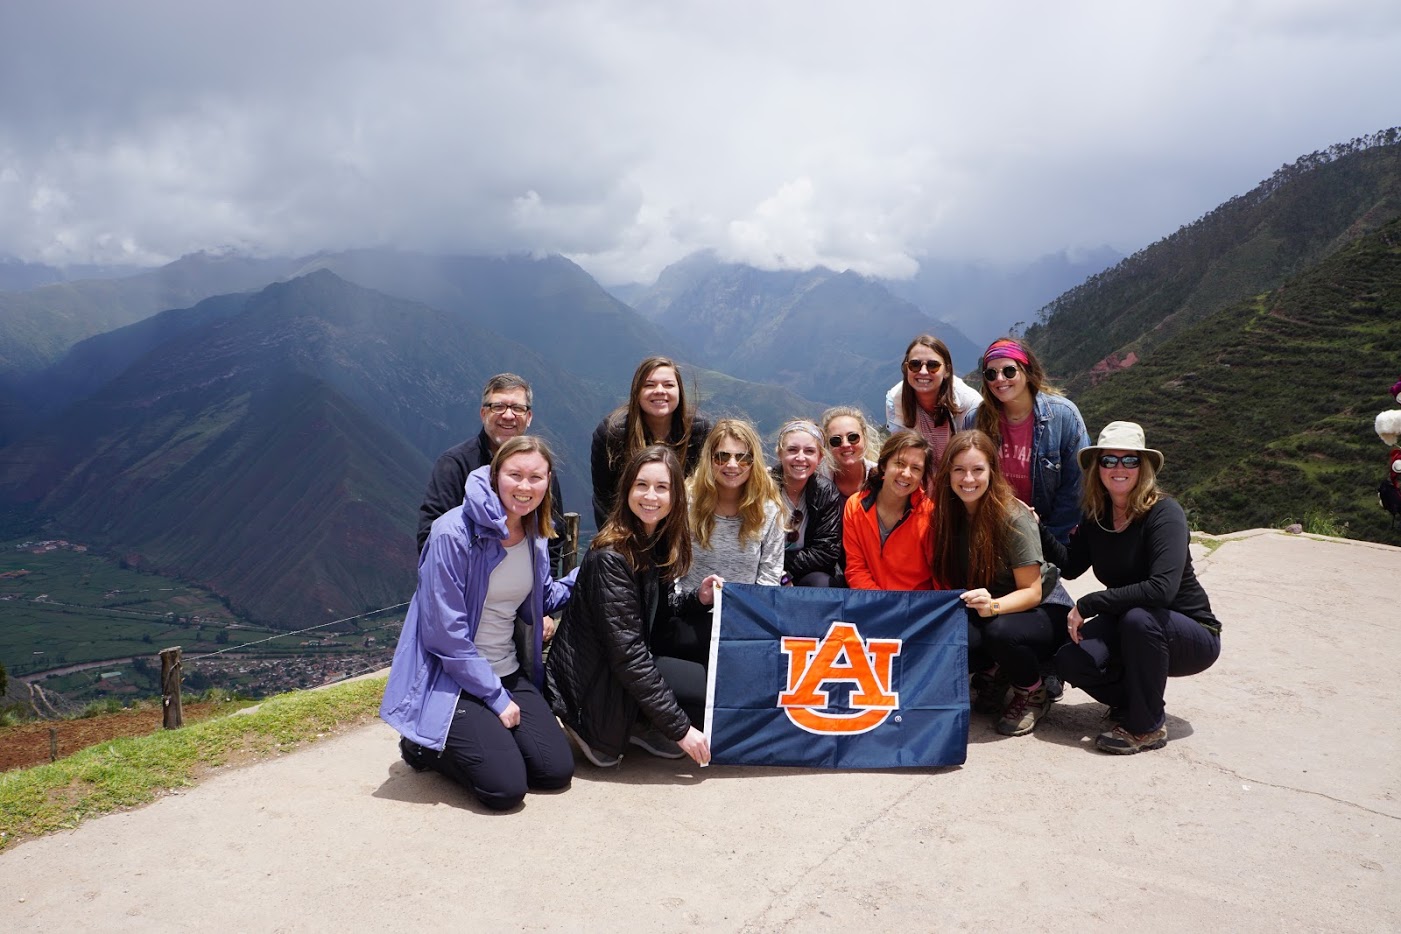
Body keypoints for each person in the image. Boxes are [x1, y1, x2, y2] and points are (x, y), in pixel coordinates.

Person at [382, 436, 577, 811]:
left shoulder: (535, 532)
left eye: (535, 477)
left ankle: (479, 738)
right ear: (494, 476)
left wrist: (599, 566)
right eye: (514, 475)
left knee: (554, 771)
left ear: (548, 480)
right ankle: (422, 745)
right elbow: (446, 636)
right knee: (505, 790)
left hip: (505, 668)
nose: (525, 487)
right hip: (451, 679)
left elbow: (542, 598)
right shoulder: (452, 533)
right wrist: (494, 697)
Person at [1042, 421, 1222, 755]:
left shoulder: (1164, 513)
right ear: (1098, 468)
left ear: (1144, 467)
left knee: (1139, 619)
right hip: (1130, 623)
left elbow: (1161, 590)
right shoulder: (1097, 515)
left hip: (1187, 632)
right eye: (1109, 460)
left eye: (1130, 460)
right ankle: (1137, 702)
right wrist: (1037, 527)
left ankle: (1147, 727)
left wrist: (1090, 602)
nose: (1119, 468)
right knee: (1071, 658)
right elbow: (1070, 565)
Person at [547, 446, 719, 768]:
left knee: (710, 674)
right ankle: (603, 724)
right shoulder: (610, 558)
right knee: (703, 695)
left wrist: (700, 599)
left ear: (676, 497)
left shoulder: (655, 541)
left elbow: (662, 612)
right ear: (627, 489)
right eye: (641, 485)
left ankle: (640, 720)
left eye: (662, 487)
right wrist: (683, 730)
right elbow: (628, 656)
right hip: (594, 688)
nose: (650, 496)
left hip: (627, 662)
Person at [930, 431, 1074, 736]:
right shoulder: (948, 514)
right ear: (948, 474)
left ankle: (1032, 692)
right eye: (959, 470)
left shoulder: (1013, 516)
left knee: (1000, 632)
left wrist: (993, 606)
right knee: (959, 641)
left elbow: (1032, 591)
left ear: (992, 472)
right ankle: (998, 671)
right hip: (992, 606)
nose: (968, 479)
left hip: (1043, 609)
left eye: (977, 470)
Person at [416, 373, 565, 573]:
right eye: (498, 406)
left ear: (529, 417)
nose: (508, 415)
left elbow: (553, 532)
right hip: (466, 593)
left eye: (518, 408)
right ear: (483, 413)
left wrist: (543, 585)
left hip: (525, 593)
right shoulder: (455, 465)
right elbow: (432, 536)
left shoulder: (539, 468)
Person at [962, 337, 1089, 543]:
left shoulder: (1063, 417)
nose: (1000, 379)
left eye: (1009, 371)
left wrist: (1046, 540)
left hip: (1047, 536)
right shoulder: (975, 420)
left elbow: (1076, 487)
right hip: (991, 535)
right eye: (991, 374)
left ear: (1027, 372)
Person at [590, 356, 712, 528]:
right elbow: (604, 498)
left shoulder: (699, 430)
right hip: (628, 532)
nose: (660, 391)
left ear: (680, 391)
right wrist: (619, 540)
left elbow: (705, 489)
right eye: (649, 385)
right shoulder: (612, 433)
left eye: (668, 385)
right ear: (636, 392)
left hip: (683, 531)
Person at [843, 431, 936, 591]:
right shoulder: (855, 506)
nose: (906, 474)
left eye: (916, 468)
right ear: (884, 465)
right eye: (899, 463)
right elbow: (856, 569)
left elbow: (939, 574)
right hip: (871, 602)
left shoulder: (930, 515)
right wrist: (882, 605)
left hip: (916, 607)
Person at [885, 334, 978, 468]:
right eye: (915, 365)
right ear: (906, 369)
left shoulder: (970, 404)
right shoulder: (895, 401)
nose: (923, 372)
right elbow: (903, 454)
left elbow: (980, 456)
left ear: (947, 371)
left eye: (933, 365)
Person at [771, 419, 843, 587]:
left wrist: (786, 574)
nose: (800, 457)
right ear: (780, 453)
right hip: (765, 569)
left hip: (806, 572)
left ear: (820, 457)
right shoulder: (764, 488)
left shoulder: (826, 491)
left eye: (809, 451)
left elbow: (826, 551)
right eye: (792, 450)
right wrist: (777, 572)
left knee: (823, 583)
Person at [818, 405, 880, 501]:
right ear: (827, 445)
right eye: (836, 440)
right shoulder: (817, 481)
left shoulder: (882, 479)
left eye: (853, 437)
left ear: (865, 437)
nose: (845, 444)